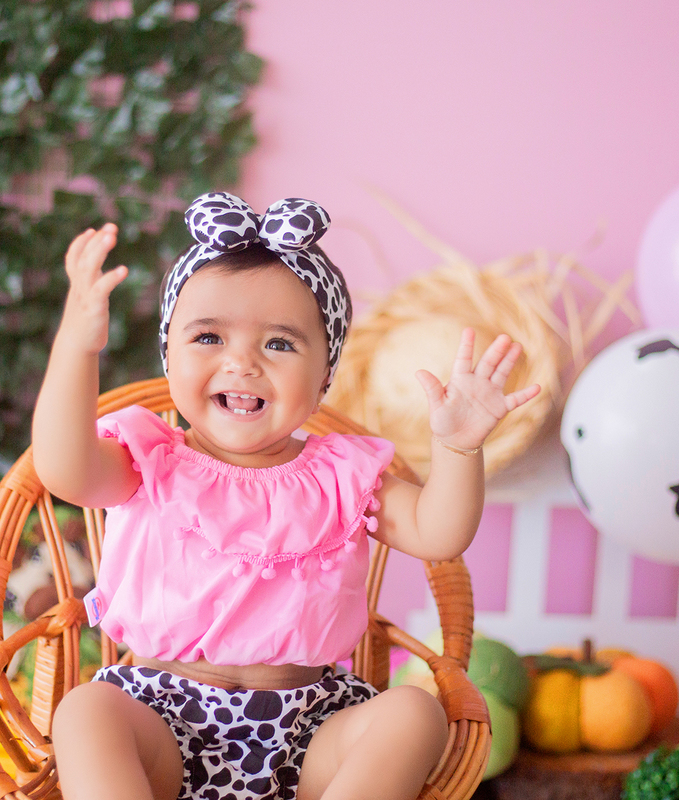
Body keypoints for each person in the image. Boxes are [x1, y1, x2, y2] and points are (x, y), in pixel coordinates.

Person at [32, 192, 540, 800]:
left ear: (325, 374)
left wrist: (458, 449)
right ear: (167, 353)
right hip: (162, 724)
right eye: (208, 337)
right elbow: (62, 469)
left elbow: (439, 533)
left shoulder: (344, 475)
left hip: (309, 730)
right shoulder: (151, 460)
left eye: (278, 344)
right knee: (85, 711)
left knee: (414, 713)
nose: (241, 362)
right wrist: (76, 348)